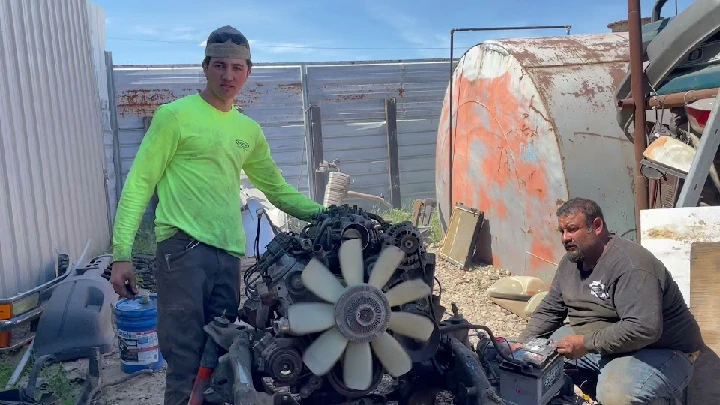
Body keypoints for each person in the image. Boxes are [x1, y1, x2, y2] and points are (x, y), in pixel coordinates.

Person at [109, 25, 326, 405]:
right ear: (206, 66)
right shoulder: (174, 117)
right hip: (182, 253)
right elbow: (139, 183)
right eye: (220, 66)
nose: (229, 76)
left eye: (237, 68)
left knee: (224, 355)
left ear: (249, 71)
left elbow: (276, 188)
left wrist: (326, 214)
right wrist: (121, 253)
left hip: (228, 257)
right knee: (184, 357)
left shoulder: (247, 130)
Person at [513, 197, 704, 404]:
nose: (565, 238)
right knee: (538, 355)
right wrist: (522, 344)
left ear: (596, 226)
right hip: (604, 342)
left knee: (618, 394)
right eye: (562, 231)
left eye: (572, 229)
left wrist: (586, 343)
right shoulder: (571, 263)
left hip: (659, 350)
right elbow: (551, 309)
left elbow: (643, 328)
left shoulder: (631, 266)